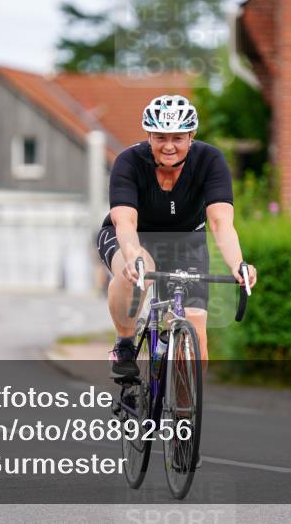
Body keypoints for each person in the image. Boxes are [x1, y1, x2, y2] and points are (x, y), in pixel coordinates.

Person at [96, 95, 257, 380]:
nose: (169, 146)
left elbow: (221, 222)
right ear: (149, 135)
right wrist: (133, 258)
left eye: (178, 138)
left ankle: (182, 417)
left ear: (192, 136)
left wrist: (238, 264)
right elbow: (125, 220)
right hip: (135, 237)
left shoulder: (209, 160)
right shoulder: (129, 162)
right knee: (136, 270)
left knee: (197, 347)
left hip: (185, 243)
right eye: (160, 137)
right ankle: (124, 344)